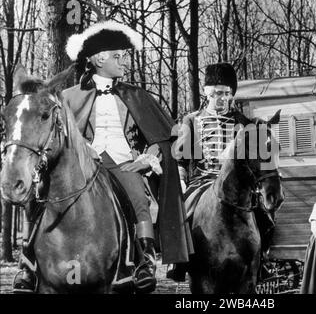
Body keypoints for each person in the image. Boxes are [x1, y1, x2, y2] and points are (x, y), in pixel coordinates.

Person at [12, 21, 193, 294]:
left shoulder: (137, 96)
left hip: (123, 161)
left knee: (138, 197)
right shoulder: (68, 97)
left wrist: (147, 158)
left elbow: (161, 138)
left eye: (125, 57)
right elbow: (56, 133)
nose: (125, 63)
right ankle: (26, 264)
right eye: (118, 57)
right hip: (84, 162)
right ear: (98, 59)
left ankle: (143, 260)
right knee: (37, 194)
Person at [166, 62, 276, 282]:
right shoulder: (191, 119)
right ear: (207, 93)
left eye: (227, 93)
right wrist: (180, 179)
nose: (222, 98)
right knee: (184, 213)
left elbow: (257, 151)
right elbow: (181, 156)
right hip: (203, 180)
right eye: (217, 93)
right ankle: (178, 262)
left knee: (265, 215)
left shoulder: (241, 120)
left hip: (237, 182)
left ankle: (262, 260)